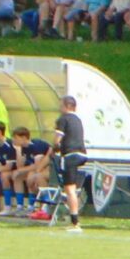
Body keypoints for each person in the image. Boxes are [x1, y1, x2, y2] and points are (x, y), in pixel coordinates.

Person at [51, 94, 86, 230]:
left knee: (69, 188)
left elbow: (58, 138)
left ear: (66, 106)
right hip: (81, 154)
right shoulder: (77, 120)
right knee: (72, 188)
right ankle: (74, 217)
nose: (60, 108)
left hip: (70, 155)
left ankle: (75, 222)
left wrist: (54, 148)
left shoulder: (63, 119)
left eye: (61, 105)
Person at [7, 126, 53, 215]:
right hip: (37, 170)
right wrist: (18, 151)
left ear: (24, 138)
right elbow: (19, 166)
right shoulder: (23, 148)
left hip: (48, 169)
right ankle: (20, 206)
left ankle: (36, 206)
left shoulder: (36, 145)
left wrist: (20, 170)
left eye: (16, 138)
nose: (13, 140)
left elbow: (38, 165)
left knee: (31, 175)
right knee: (18, 177)